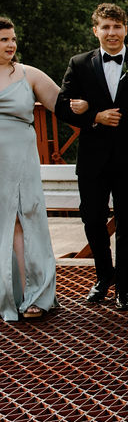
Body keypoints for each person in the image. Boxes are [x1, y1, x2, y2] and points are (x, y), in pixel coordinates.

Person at [56, 3, 128, 311]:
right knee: (92, 218)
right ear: (95, 31)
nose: (111, 32)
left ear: (126, 29)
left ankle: (125, 287)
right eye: (105, 27)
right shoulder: (79, 63)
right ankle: (104, 277)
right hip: (93, 158)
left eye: (117, 27)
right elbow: (63, 106)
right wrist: (93, 117)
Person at [0, 18, 84, 321]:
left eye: (12, 39)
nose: (11, 45)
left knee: (24, 220)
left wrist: (86, 110)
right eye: (3, 40)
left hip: (20, 158)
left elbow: (61, 106)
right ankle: (4, 293)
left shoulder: (28, 74)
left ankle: (32, 294)